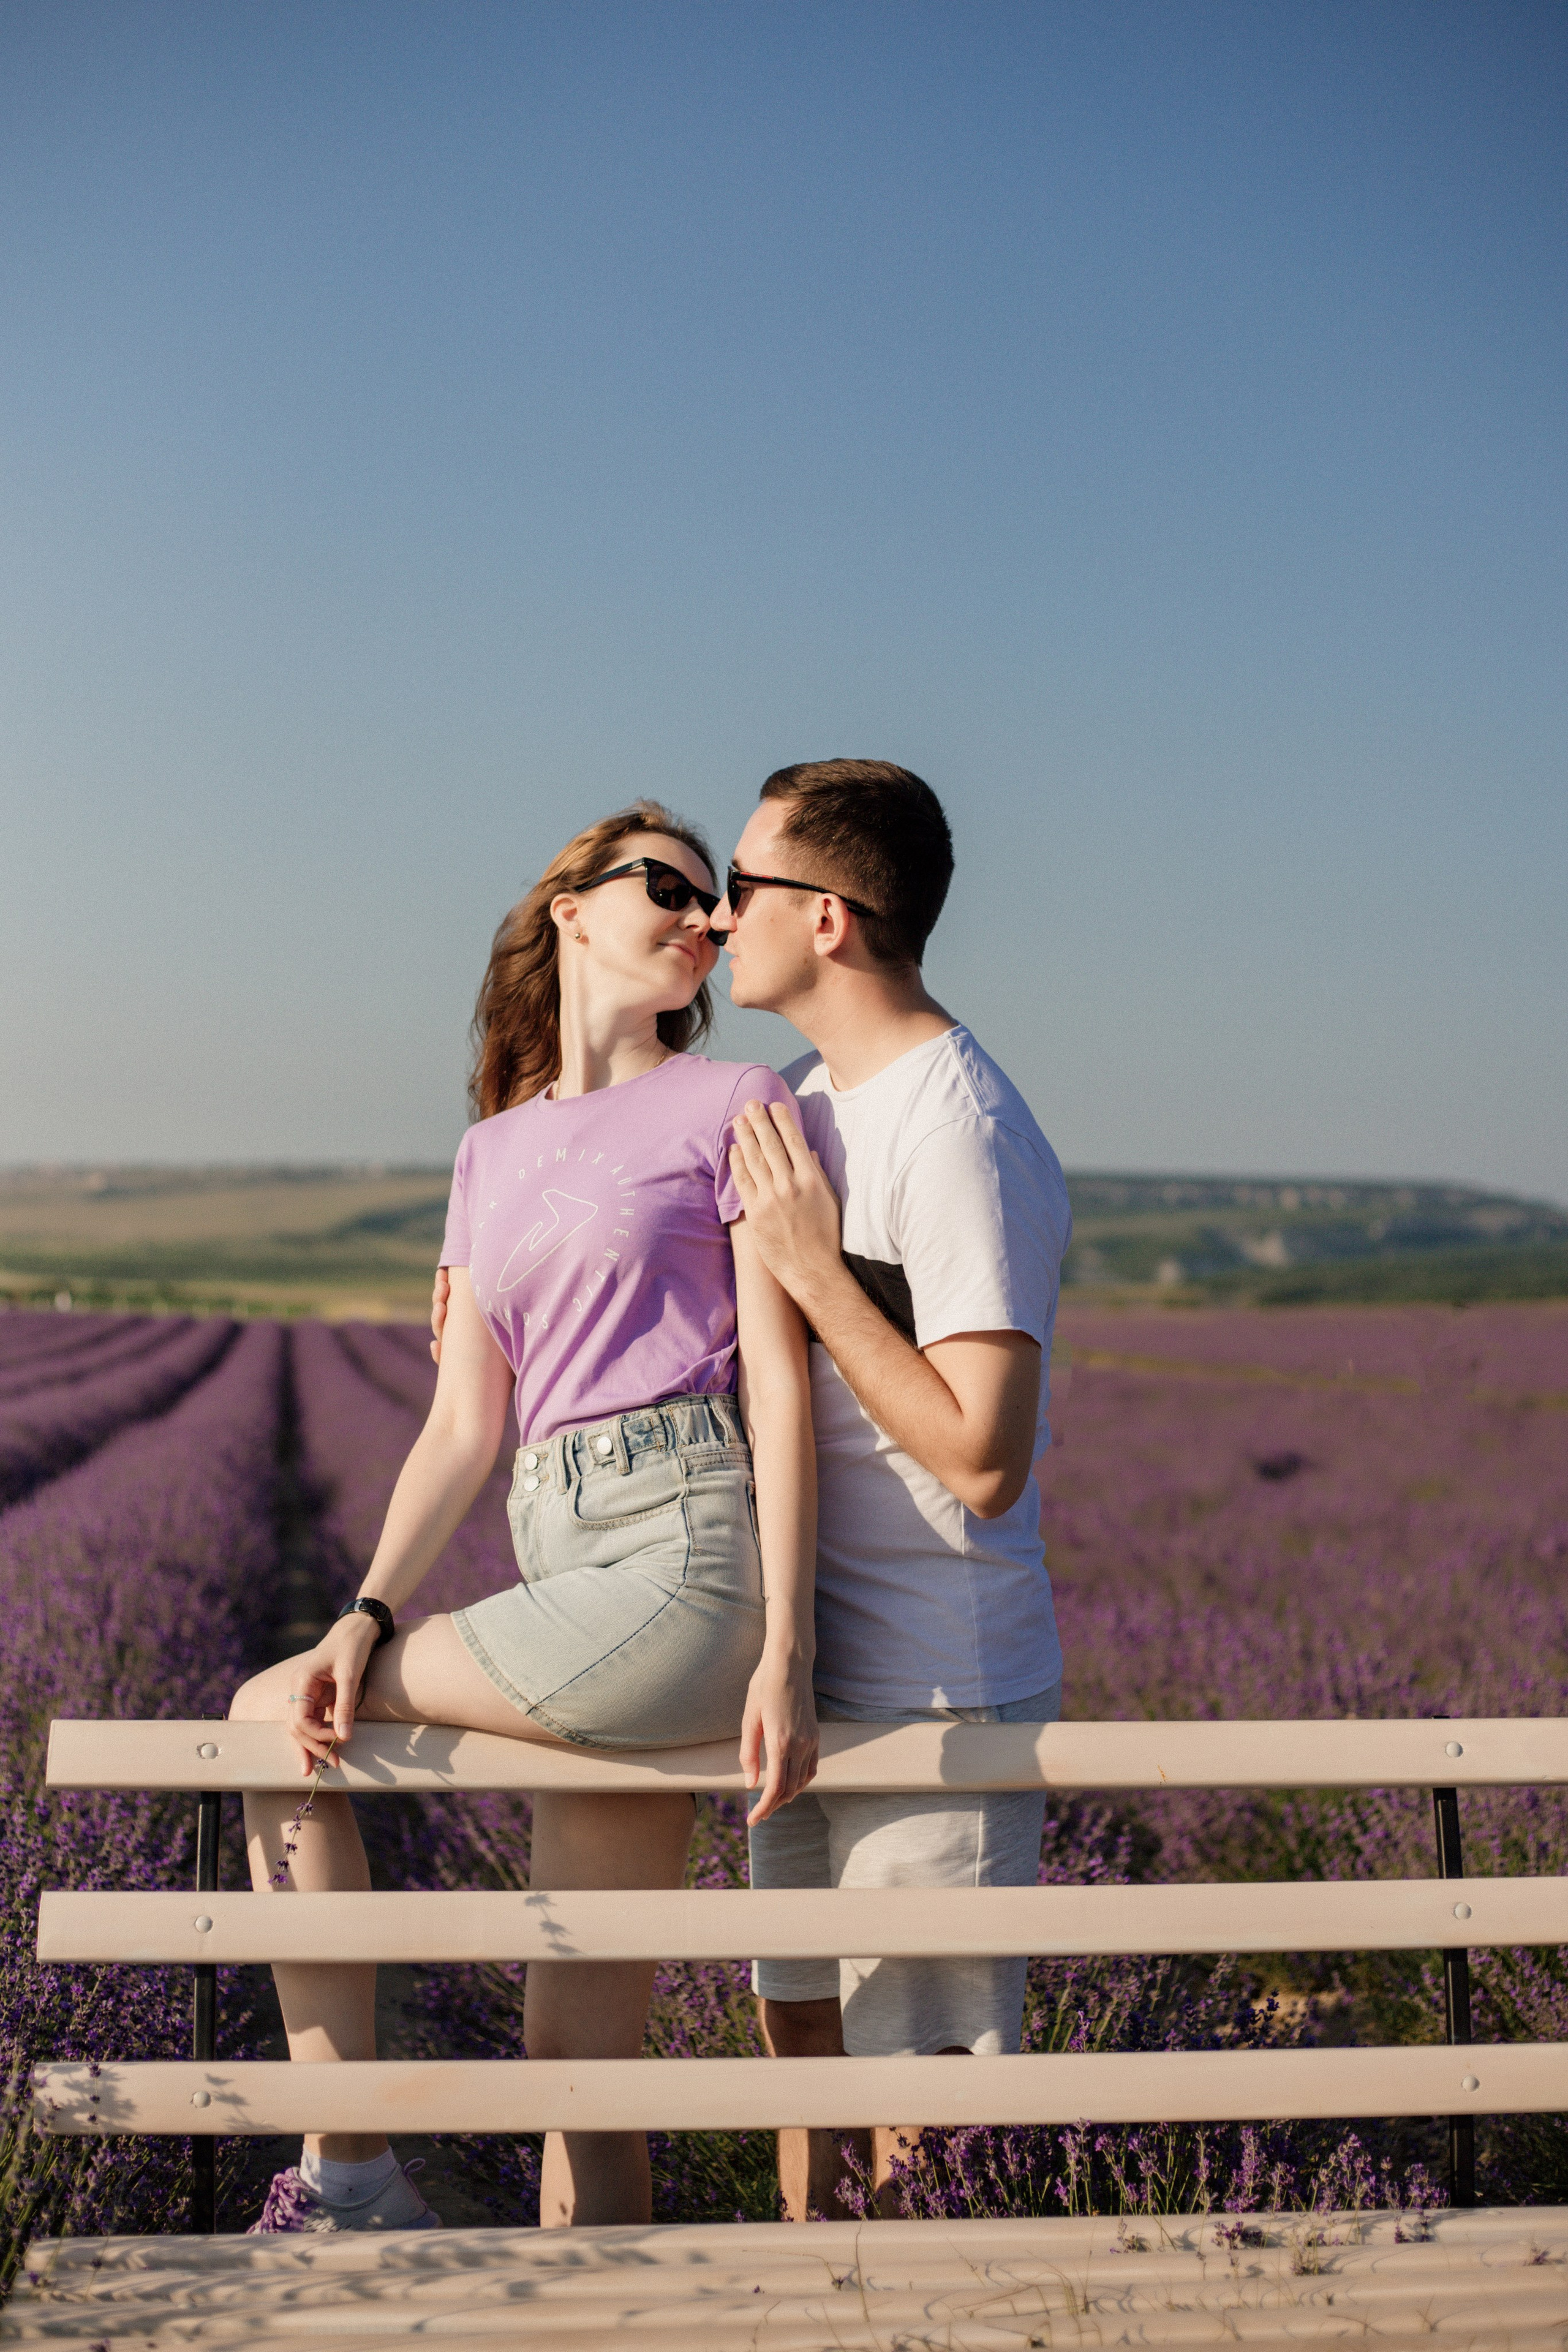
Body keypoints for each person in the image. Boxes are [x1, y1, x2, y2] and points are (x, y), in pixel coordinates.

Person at [234, 800, 817, 2236]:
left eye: (719, 902)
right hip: (561, 1554)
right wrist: (365, 1611)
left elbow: (783, 1388)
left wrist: (786, 1647)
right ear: (570, 905)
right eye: (670, 886)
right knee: (578, 2067)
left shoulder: (737, 1102)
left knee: (266, 1717)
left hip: (681, 1564)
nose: (706, 916)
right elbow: (460, 1429)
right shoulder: (487, 1154)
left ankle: (350, 2177)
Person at [720, 758, 1071, 2221]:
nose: (713, 916)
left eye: (739, 888)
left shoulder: (958, 1128)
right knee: (797, 2035)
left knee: (921, 2101)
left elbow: (984, 1455)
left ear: (825, 918)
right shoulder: (800, 1108)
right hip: (806, 1678)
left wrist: (814, 1270)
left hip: (940, 1685)